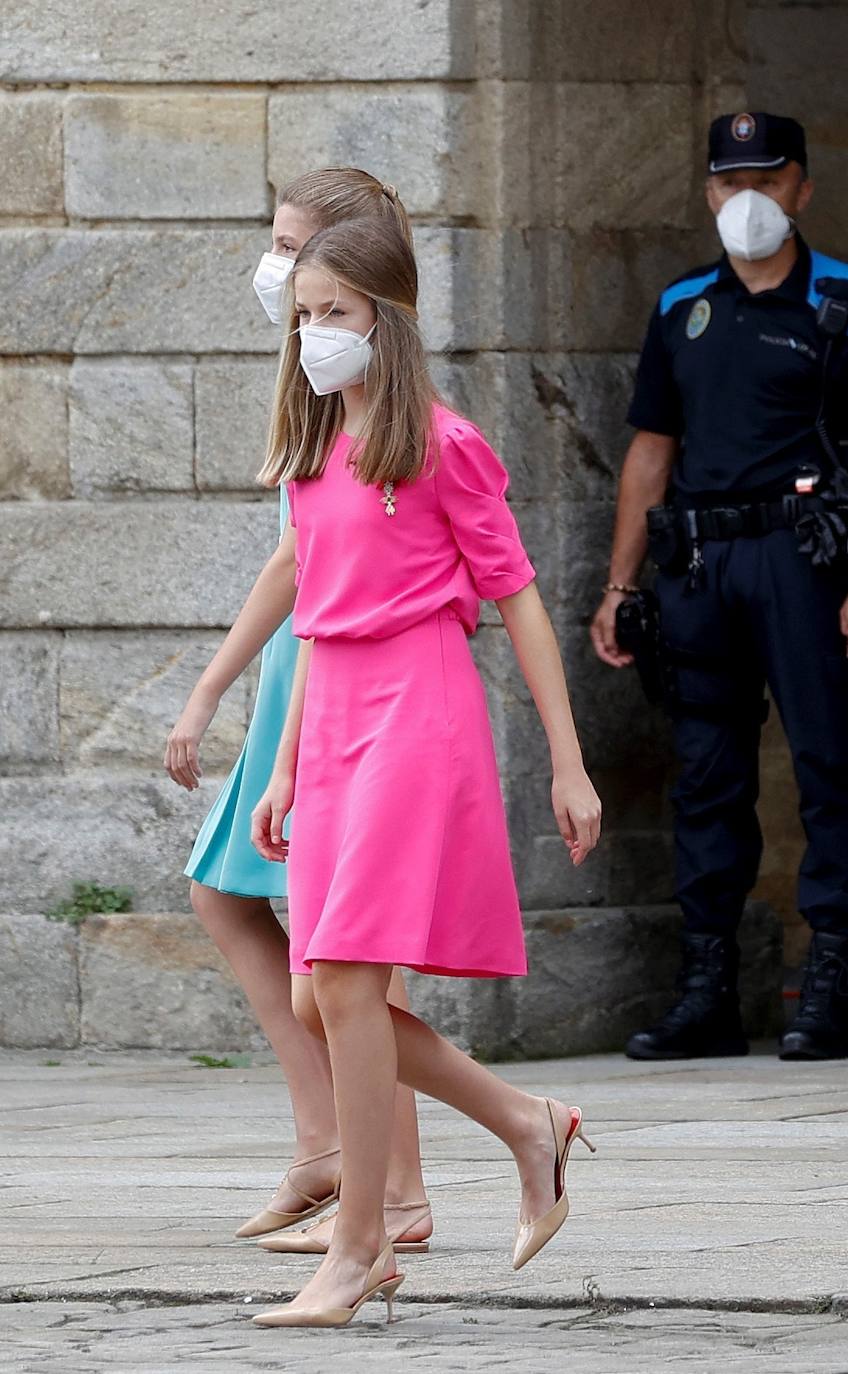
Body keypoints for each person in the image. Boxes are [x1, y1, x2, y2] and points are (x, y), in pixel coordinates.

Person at [245, 217, 601, 1329]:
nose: (313, 335)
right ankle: (524, 1124)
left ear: (385, 322)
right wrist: (286, 768)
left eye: (335, 315)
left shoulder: (443, 445)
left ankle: (360, 1248)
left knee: (347, 979)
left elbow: (519, 600)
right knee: (318, 990)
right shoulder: (311, 454)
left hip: (418, 707)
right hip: (339, 716)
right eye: (305, 315)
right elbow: (314, 619)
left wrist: (568, 760)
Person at [590, 112, 848, 1063]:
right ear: (707, 192)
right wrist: (620, 584)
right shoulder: (681, 307)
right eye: (728, 181)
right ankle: (707, 992)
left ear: (802, 188)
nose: (747, 198)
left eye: (768, 178)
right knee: (705, 777)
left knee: (831, 768)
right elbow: (649, 452)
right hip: (701, 565)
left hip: (808, 563)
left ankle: (828, 986)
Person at [164, 169, 432, 1254]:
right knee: (229, 901)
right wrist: (215, 682)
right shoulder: (312, 381)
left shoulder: (370, 387)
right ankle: (327, 1144)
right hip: (296, 671)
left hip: (337, 683)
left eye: (290, 247)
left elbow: (347, 571)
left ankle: (398, 1187)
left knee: (349, 955)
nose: (274, 268)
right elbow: (294, 553)